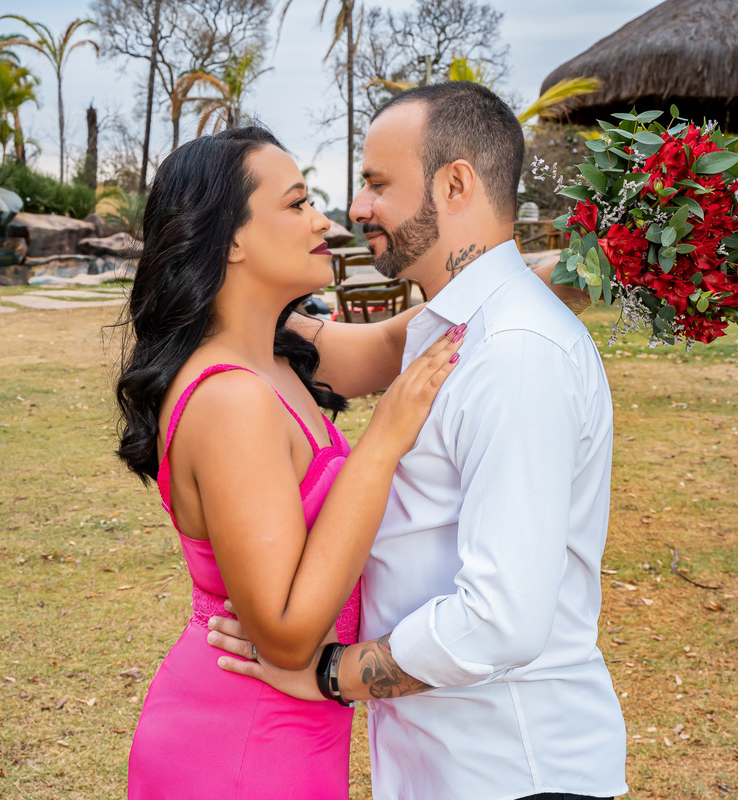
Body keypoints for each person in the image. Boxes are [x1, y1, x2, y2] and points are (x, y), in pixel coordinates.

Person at [210, 82, 628, 800]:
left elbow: (500, 621)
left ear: (456, 182)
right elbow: (332, 348)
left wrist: (329, 674)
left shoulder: (515, 352)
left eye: (376, 183)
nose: (356, 208)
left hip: (510, 768)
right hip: (446, 762)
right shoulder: (455, 326)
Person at [116, 126, 466, 799]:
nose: (324, 221)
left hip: (291, 728)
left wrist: (596, 269)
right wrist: (382, 444)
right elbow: (284, 634)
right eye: (299, 203)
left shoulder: (280, 352)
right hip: (240, 742)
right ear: (233, 239)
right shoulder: (230, 400)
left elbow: (407, 337)